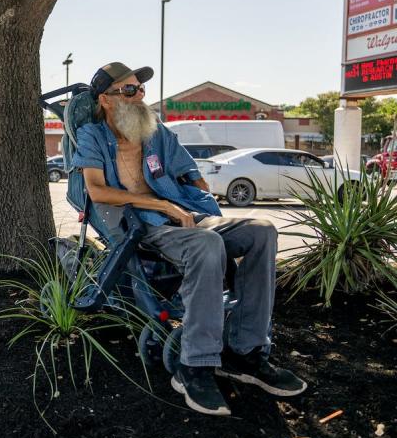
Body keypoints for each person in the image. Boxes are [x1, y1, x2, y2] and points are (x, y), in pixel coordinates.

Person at [71, 62, 306, 416]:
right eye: (130, 90)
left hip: (185, 215)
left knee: (261, 231)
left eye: (141, 89)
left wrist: (196, 194)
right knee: (207, 245)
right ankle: (193, 367)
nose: (140, 96)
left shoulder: (155, 132)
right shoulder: (92, 136)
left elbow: (188, 168)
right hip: (142, 225)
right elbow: (97, 191)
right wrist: (158, 203)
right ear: (105, 99)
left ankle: (245, 352)